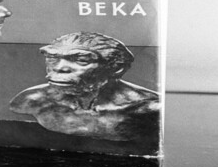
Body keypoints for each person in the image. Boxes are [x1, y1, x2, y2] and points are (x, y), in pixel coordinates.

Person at [9, 32, 160, 142]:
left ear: (116, 68)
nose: (60, 68)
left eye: (81, 60)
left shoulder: (150, 109)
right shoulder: (33, 99)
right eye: (52, 58)